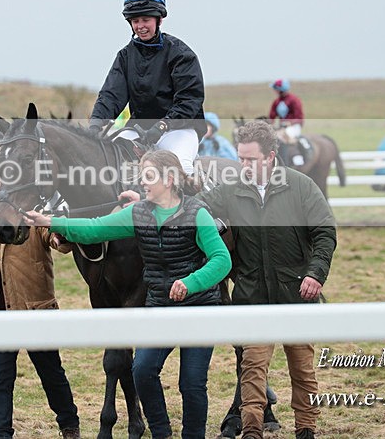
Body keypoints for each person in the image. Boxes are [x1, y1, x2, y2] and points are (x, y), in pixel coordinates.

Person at [117, 121, 334, 439]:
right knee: (252, 370)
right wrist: (148, 202)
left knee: (302, 370)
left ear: (270, 156)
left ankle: (306, 429)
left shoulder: (301, 187)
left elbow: (325, 231)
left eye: (250, 160)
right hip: (253, 297)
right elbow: (192, 207)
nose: (243, 166)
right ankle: (251, 430)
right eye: (241, 158)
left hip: (296, 293)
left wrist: (315, 273)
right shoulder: (231, 190)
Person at [24, 150, 231, 439]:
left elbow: (222, 260)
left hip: (199, 308)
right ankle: (161, 433)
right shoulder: (138, 213)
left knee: (191, 384)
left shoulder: (198, 214)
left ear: (169, 180)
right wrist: (52, 222)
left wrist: (190, 282)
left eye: (149, 176)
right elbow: (95, 229)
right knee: (143, 371)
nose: (142, 183)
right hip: (160, 307)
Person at [0, 162, 81, 439]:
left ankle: (69, 424)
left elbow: (58, 241)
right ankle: (1, 433)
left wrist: (61, 235)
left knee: (50, 371)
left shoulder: (31, 215)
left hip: (35, 307)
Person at [88, 0, 207, 175]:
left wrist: (162, 126)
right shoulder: (125, 56)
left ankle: (197, 203)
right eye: (135, 21)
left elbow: (189, 101)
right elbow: (111, 95)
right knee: (108, 164)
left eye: (145, 20)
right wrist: (95, 124)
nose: (140, 26)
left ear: (159, 20)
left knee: (180, 170)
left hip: (178, 130)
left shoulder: (182, 55)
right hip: (139, 130)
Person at [267, 79, 305, 166]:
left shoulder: (294, 100)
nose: (274, 91)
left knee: (285, 136)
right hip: (281, 128)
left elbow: (299, 117)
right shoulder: (276, 102)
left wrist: (290, 123)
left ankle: (297, 158)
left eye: (275, 88)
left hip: (294, 127)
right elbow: (271, 117)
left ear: (280, 89)